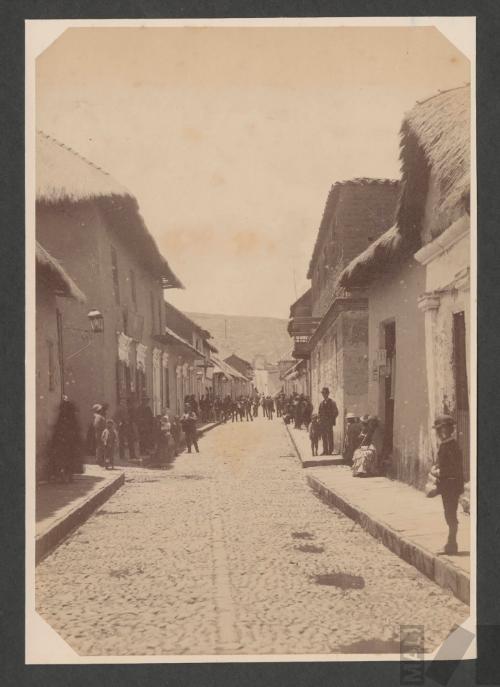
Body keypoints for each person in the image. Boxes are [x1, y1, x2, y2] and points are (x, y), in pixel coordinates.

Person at [432, 414, 464, 555]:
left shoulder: (450, 446)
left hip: (451, 484)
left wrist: (438, 471)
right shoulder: (447, 444)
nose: (438, 432)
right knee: (449, 514)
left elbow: (453, 468)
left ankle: (451, 545)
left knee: (450, 515)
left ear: (446, 429)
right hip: (449, 485)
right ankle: (451, 543)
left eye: (440, 429)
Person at [47, 397, 82, 482]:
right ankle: (67, 477)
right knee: (68, 460)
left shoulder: (62, 417)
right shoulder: (71, 418)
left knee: (63, 460)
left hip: (63, 443)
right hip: (69, 443)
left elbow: (57, 431)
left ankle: (64, 477)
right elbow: (76, 431)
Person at [318, 387, 339, 455]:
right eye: (322, 393)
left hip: (329, 423)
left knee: (329, 436)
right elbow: (319, 413)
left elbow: (336, 412)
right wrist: (319, 420)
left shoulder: (332, 402)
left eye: (325, 393)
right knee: (323, 437)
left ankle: (330, 451)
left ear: (328, 393)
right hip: (322, 423)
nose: (323, 395)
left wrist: (331, 419)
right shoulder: (321, 403)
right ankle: (325, 450)